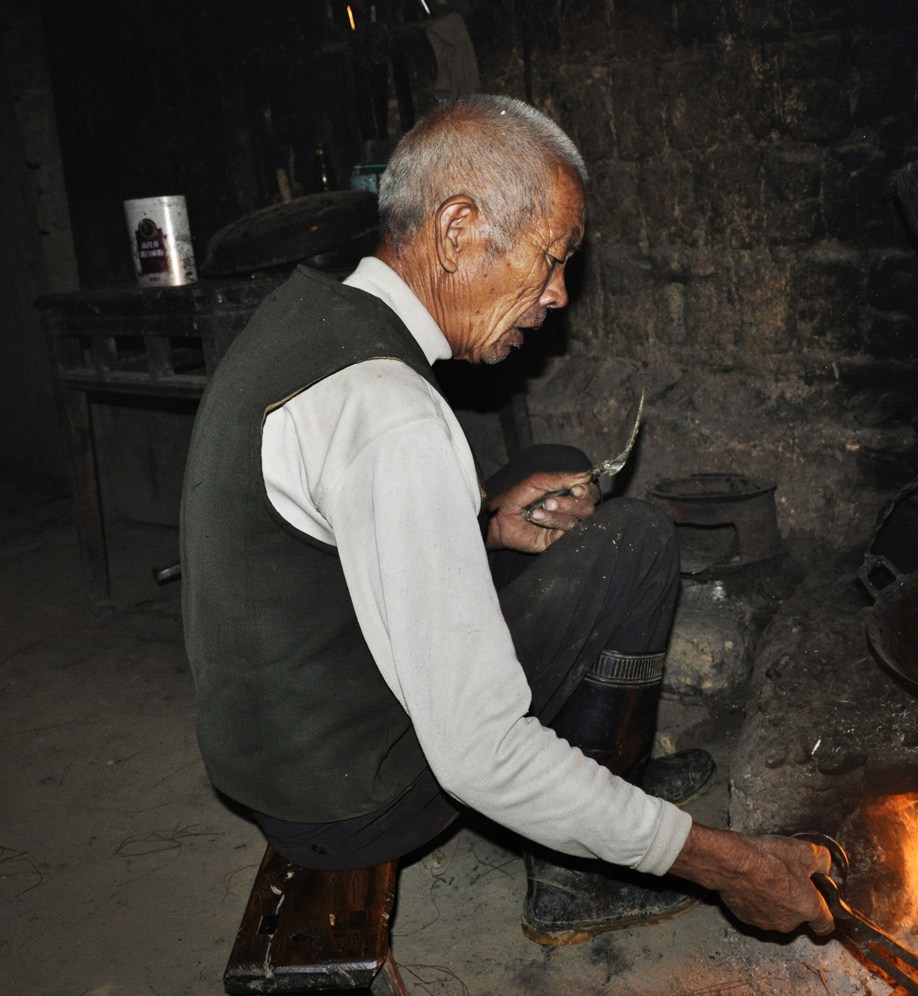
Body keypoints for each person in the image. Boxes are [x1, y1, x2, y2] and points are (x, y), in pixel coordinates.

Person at [180, 93, 832, 945]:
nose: (560, 294)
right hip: (349, 797)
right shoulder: (395, 414)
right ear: (456, 230)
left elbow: (326, 537)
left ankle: (602, 777)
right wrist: (728, 863)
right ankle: (574, 873)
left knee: (538, 469)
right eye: (552, 257)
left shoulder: (313, 315)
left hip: (280, 742)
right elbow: (479, 755)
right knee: (633, 539)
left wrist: (483, 528)